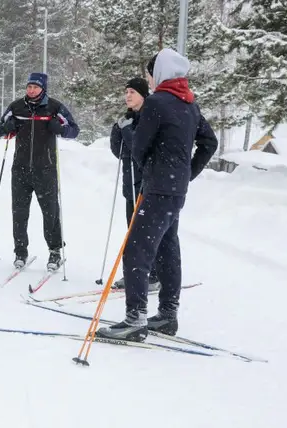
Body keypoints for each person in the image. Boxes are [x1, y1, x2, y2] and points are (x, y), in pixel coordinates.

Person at [97, 48, 218, 341]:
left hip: (157, 187)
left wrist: (147, 159)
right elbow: (209, 143)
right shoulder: (189, 104)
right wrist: (187, 172)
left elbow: (139, 147)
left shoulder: (157, 103)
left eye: (151, 74)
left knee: (137, 248)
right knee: (167, 248)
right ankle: (167, 314)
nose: (150, 80)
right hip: (176, 189)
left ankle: (135, 319)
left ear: (161, 73)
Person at [0, 72, 80, 271]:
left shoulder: (54, 107)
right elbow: (1, 130)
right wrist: (8, 127)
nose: (31, 90)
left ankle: (54, 252)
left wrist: (59, 128)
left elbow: (74, 130)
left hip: (46, 169)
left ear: (43, 88)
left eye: (35, 87)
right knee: (19, 213)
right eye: (29, 86)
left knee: (50, 212)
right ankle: (20, 252)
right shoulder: (17, 107)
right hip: (20, 169)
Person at [109, 77, 161, 292]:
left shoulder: (149, 118)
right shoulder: (127, 119)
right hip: (130, 184)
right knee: (131, 233)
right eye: (126, 91)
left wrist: (128, 132)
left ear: (143, 95)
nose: (128, 95)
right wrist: (117, 131)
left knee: (147, 234)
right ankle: (132, 274)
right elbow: (119, 152)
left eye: (133, 92)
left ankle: (154, 275)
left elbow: (140, 150)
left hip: (148, 185)